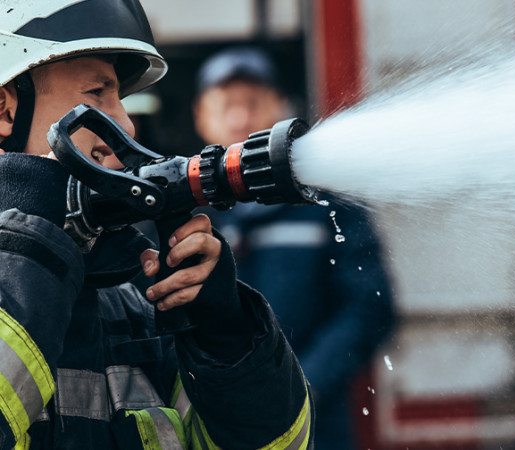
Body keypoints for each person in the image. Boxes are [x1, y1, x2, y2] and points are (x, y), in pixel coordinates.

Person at [0, 1, 311, 449]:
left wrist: (226, 340)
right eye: (96, 94)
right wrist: (33, 248)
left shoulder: (134, 307)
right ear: (5, 111)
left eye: (120, 100)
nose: (126, 125)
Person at [193, 47, 395, 449]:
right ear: (201, 116)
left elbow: (369, 306)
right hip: (212, 425)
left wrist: (304, 385)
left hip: (317, 425)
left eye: (253, 102)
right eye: (226, 105)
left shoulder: (327, 202)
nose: (240, 117)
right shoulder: (185, 212)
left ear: (280, 107)